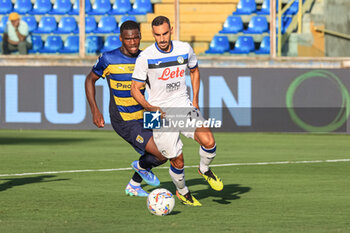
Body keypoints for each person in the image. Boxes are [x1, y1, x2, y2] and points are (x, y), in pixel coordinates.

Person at [131, 16, 224, 206]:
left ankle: (204, 169)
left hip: (182, 104)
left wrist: (195, 100)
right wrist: (149, 107)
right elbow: (134, 89)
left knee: (209, 141)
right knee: (177, 160)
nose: (162, 39)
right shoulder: (145, 57)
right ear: (153, 34)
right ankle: (182, 192)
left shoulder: (184, 49)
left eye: (165, 33)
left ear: (171, 30)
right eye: (157, 35)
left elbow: (195, 70)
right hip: (157, 113)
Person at [85, 20, 167, 197]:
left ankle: (134, 184)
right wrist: (95, 110)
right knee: (160, 152)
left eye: (136, 38)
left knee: (166, 151)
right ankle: (140, 170)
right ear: (121, 38)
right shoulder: (108, 59)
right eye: (129, 39)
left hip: (146, 115)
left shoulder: (146, 58)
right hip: (124, 119)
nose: (133, 42)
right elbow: (89, 80)